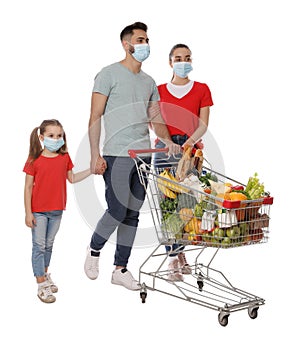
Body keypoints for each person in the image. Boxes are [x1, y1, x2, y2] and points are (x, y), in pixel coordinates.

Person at [84, 22, 180, 291]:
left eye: (147, 39)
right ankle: (94, 249)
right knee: (116, 210)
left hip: (143, 156)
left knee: (133, 214)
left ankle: (120, 269)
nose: (145, 44)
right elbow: (94, 116)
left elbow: (155, 118)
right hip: (116, 154)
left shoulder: (148, 81)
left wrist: (168, 141)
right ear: (127, 44)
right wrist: (95, 155)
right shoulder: (108, 74)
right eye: (140, 40)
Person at [154, 43, 213, 281]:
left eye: (187, 58)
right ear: (170, 62)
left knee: (187, 204)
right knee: (168, 204)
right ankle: (172, 259)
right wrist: (168, 142)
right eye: (178, 58)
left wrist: (189, 143)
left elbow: (203, 124)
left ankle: (180, 253)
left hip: (191, 150)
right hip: (164, 149)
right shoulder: (158, 91)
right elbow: (155, 123)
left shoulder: (202, 89)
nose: (183, 62)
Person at [23, 119, 91, 303]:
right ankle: (40, 284)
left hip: (57, 210)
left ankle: (45, 275)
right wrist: (28, 213)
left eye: (59, 135)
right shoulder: (34, 159)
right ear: (42, 137)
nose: (56, 139)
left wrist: (91, 170)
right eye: (51, 136)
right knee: (39, 246)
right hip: (38, 211)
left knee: (49, 244)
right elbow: (28, 187)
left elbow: (73, 178)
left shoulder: (64, 158)